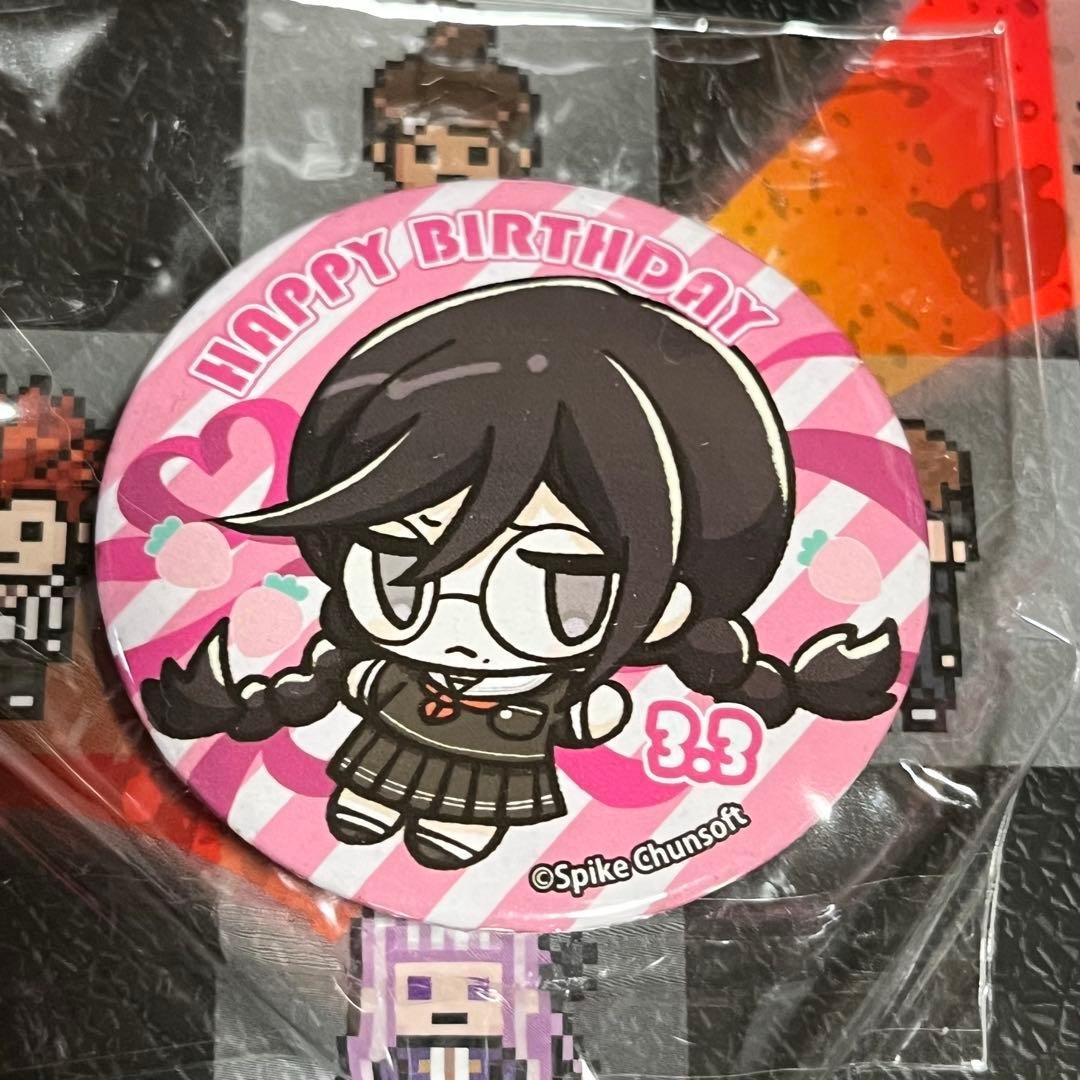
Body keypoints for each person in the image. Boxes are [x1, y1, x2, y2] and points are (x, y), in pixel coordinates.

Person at [141, 279, 900, 869]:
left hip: (500, 770)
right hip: (378, 752)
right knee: (369, 791)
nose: (459, 617)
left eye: (556, 585)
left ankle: (454, 824)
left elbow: (589, 720)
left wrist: (592, 716)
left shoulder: (565, 685)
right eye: (402, 562)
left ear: (667, 607)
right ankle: (377, 803)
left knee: (463, 814)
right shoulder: (377, 657)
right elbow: (350, 681)